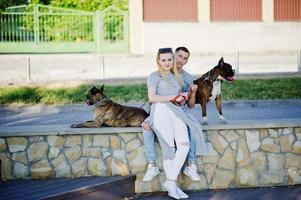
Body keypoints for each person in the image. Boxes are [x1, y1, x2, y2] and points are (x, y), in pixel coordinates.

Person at [146, 47, 208, 199]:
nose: (167, 62)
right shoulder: (154, 76)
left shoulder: (180, 77)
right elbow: (152, 98)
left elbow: (187, 102)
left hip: (177, 111)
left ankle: (170, 181)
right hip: (162, 111)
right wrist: (173, 96)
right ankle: (172, 187)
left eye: (169, 60)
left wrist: (190, 93)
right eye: (164, 60)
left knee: (184, 145)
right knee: (170, 148)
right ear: (158, 61)